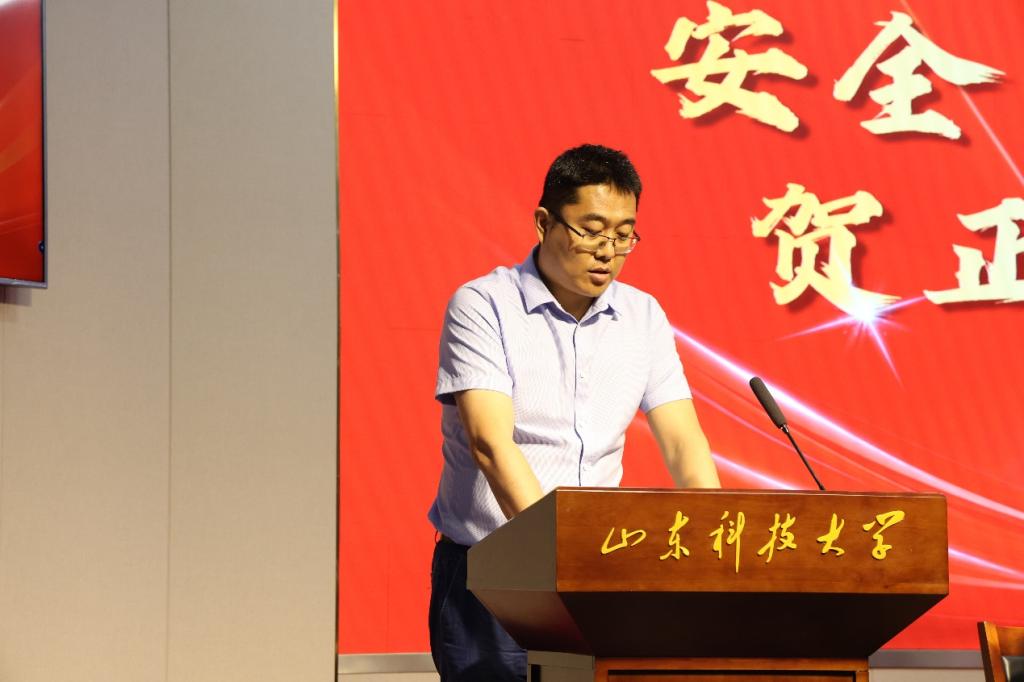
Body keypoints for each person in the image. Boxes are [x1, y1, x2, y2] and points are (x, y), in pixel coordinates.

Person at [427, 144, 721, 681]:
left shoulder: (643, 316)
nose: (608, 251)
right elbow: (491, 444)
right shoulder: (483, 305)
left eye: (624, 234)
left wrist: (719, 550)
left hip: (600, 575)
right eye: (591, 231)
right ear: (544, 222)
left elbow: (683, 442)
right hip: (494, 574)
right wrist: (556, 560)